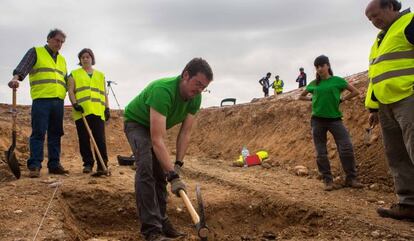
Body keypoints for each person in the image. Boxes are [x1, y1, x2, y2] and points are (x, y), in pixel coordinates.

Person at [123, 58, 213, 241]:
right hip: (137, 124)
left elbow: (185, 134)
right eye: (197, 84)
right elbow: (157, 140)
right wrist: (172, 174)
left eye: (203, 87)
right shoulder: (162, 91)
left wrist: (177, 165)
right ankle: (151, 230)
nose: (199, 91)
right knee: (146, 167)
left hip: (154, 130)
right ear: (186, 75)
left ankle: (162, 221)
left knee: (161, 173)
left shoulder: (195, 98)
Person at [365, 0, 414, 220]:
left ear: (391, 7)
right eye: (370, 19)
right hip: (385, 104)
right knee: (397, 154)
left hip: (408, 97)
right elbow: (376, 76)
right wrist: (373, 107)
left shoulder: (409, 23)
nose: (374, 22)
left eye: (376, 15)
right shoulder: (380, 39)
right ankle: (408, 203)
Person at [7, 29, 69, 178]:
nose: (59, 44)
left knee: (56, 133)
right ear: (48, 39)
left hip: (58, 101)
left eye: (61, 42)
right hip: (42, 100)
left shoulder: (62, 60)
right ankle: (34, 165)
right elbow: (23, 67)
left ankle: (54, 164)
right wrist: (16, 78)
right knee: (39, 132)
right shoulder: (36, 52)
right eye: (56, 40)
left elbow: (65, 80)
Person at [299, 55, 363, 191]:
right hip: (317, 121)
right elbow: (301, 96)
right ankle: (328, 181)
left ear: (328, 65)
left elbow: (355, 92)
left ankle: (351, 178)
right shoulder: (314, 84)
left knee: (346, 147)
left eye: (321, 66)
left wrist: (343, 99)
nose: (319, 69)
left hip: (335, 120)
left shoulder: (337, 81)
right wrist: (312, 100)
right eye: (317, 67)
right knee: (321, 152)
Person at [67, 48, 110, 175]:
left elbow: (104, 94)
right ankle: (88, 164)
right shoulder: (74, 74)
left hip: (98, 111)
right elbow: (70, 91)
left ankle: (102, 164)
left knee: (100, 139)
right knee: (84, 139)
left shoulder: (100, 75)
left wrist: (107, 108)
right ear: (80, 60)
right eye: (83, 57)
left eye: (88, 57)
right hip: (82, 112)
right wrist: (75, 104)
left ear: (92, 59)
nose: (85, 59)